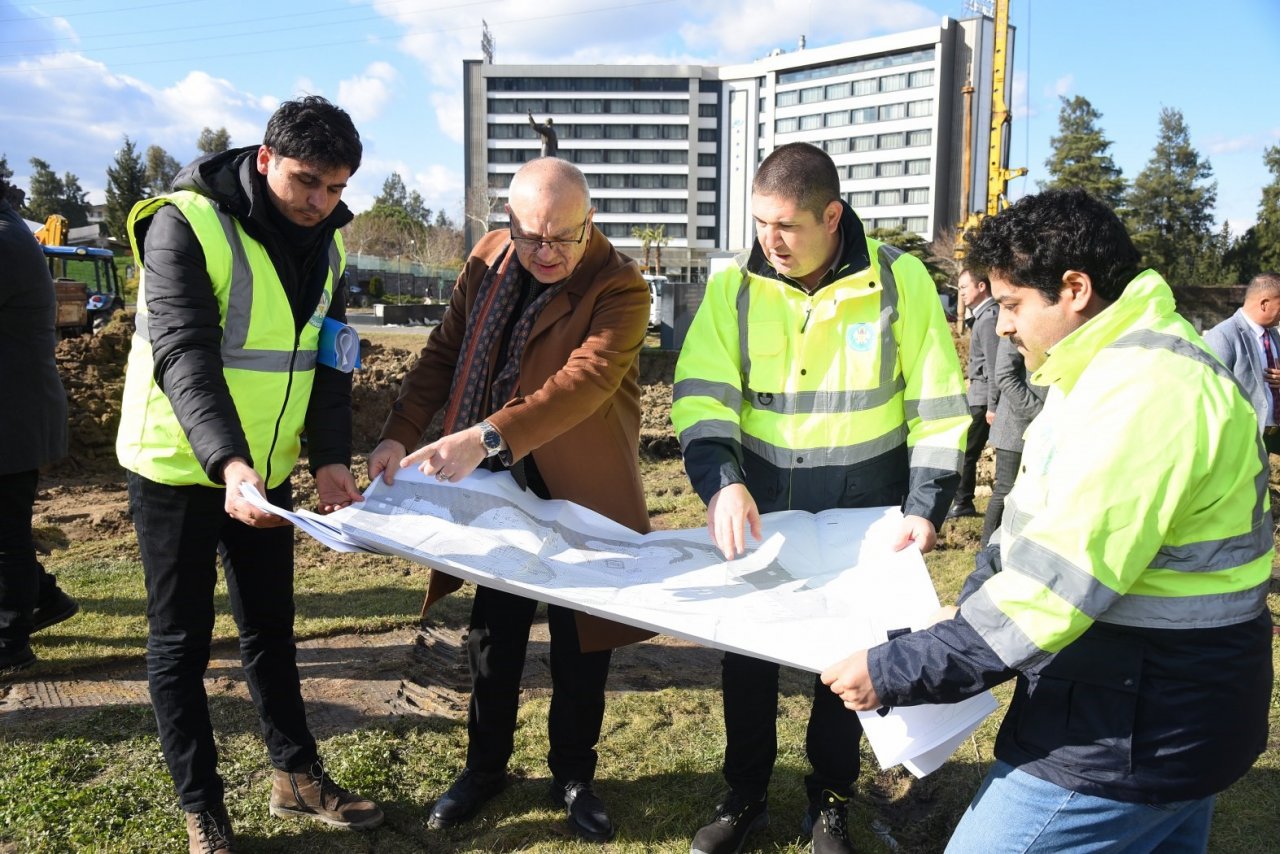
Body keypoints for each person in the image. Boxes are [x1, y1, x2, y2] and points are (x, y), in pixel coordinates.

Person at [822, 189, 1273, 853]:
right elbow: (1026, 531)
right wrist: (970, 607)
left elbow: (1047, 595)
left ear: (1074, 289)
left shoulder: (1143, 394)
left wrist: (896, 670)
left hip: (1135, 724)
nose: (999, 325)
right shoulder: (1104, 371)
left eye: (1009, 304)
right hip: (1162, 704)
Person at [670, 142, 969, 854]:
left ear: (832, 216)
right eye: (760, 223)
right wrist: (722, 483)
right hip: (761, 506)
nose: (768, 241)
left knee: (850, 660)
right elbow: (703, 394)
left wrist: (926, 507)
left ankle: (828, 802)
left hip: (867, 513)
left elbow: (939, 401)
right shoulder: (735, 286)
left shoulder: (899, 283)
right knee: (749, 658)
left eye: (786, 226)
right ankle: (744, 796)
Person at [115, 96, 383, 852]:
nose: (322, 204)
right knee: (181, 642)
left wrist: (329, 461)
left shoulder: (327, 245)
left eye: (337, 188)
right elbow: (186, 360)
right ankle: (203, 808)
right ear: (264, 160)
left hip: (268, 477)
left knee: (271, 628)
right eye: (308, 183)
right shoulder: (184, 225)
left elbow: (332, 365)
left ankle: (294, 777)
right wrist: (231, 466)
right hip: (180, 468)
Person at [367, 156, 650, 844]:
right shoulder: (489, 261)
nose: (546, 253)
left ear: (591, 222)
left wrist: (487, 436)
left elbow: (583, 384)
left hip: (583, 489)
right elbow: (443, 352)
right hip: (498, 493)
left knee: (581, 646)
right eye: (531, 237)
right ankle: (485, 768)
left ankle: (574, 775)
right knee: (493, 638)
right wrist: (399, 435)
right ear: (508, 224)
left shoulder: (620, 286)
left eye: (563, 237)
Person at [0, 178, 80, 675]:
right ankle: (44, 599)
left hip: (11, 414)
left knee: (5, 534)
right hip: (14, 409)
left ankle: (8, 644)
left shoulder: (4, 240)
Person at [978, 336, 1045, 546]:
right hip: (1016, 426)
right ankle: (988, 548)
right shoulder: (1013, 326)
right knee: (1006, 489)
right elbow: (1005, 376)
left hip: (1042, 427)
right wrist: (1042, 412)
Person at [1204, 272, 1280, 454]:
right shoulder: (1223, 336)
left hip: (1275, 440)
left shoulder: (1274, 335)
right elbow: (1210, 394)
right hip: (1243, 444)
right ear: (1264, 304)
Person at [947, 269, 999, 519]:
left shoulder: (989, 318)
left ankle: (963, 502)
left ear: (981, 286)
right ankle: (961, 501)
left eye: (965, 287)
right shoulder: (983, 316)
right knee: (966, 450)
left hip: (983, 398)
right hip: (978, 395)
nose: (961, 293)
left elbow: (993, 364)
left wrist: (992, 404)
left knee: (967, 451)